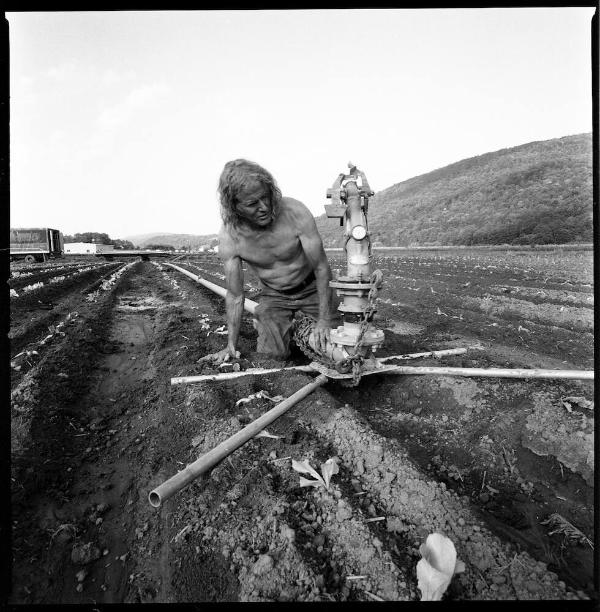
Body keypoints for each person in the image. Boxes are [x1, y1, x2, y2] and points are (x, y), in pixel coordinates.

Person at [201, 159, 337, 364]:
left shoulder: (295, 212)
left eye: (265, 197)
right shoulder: (230, 237)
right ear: (234, 207)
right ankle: (280, 328)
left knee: (337, 350)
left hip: (312, 289)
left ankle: (296, 326)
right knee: (273, 357)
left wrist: (325, 320)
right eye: (252, 204)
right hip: (274, 296)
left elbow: (321, 267)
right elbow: (236, 296)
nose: (264, 207)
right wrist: (231, 345)